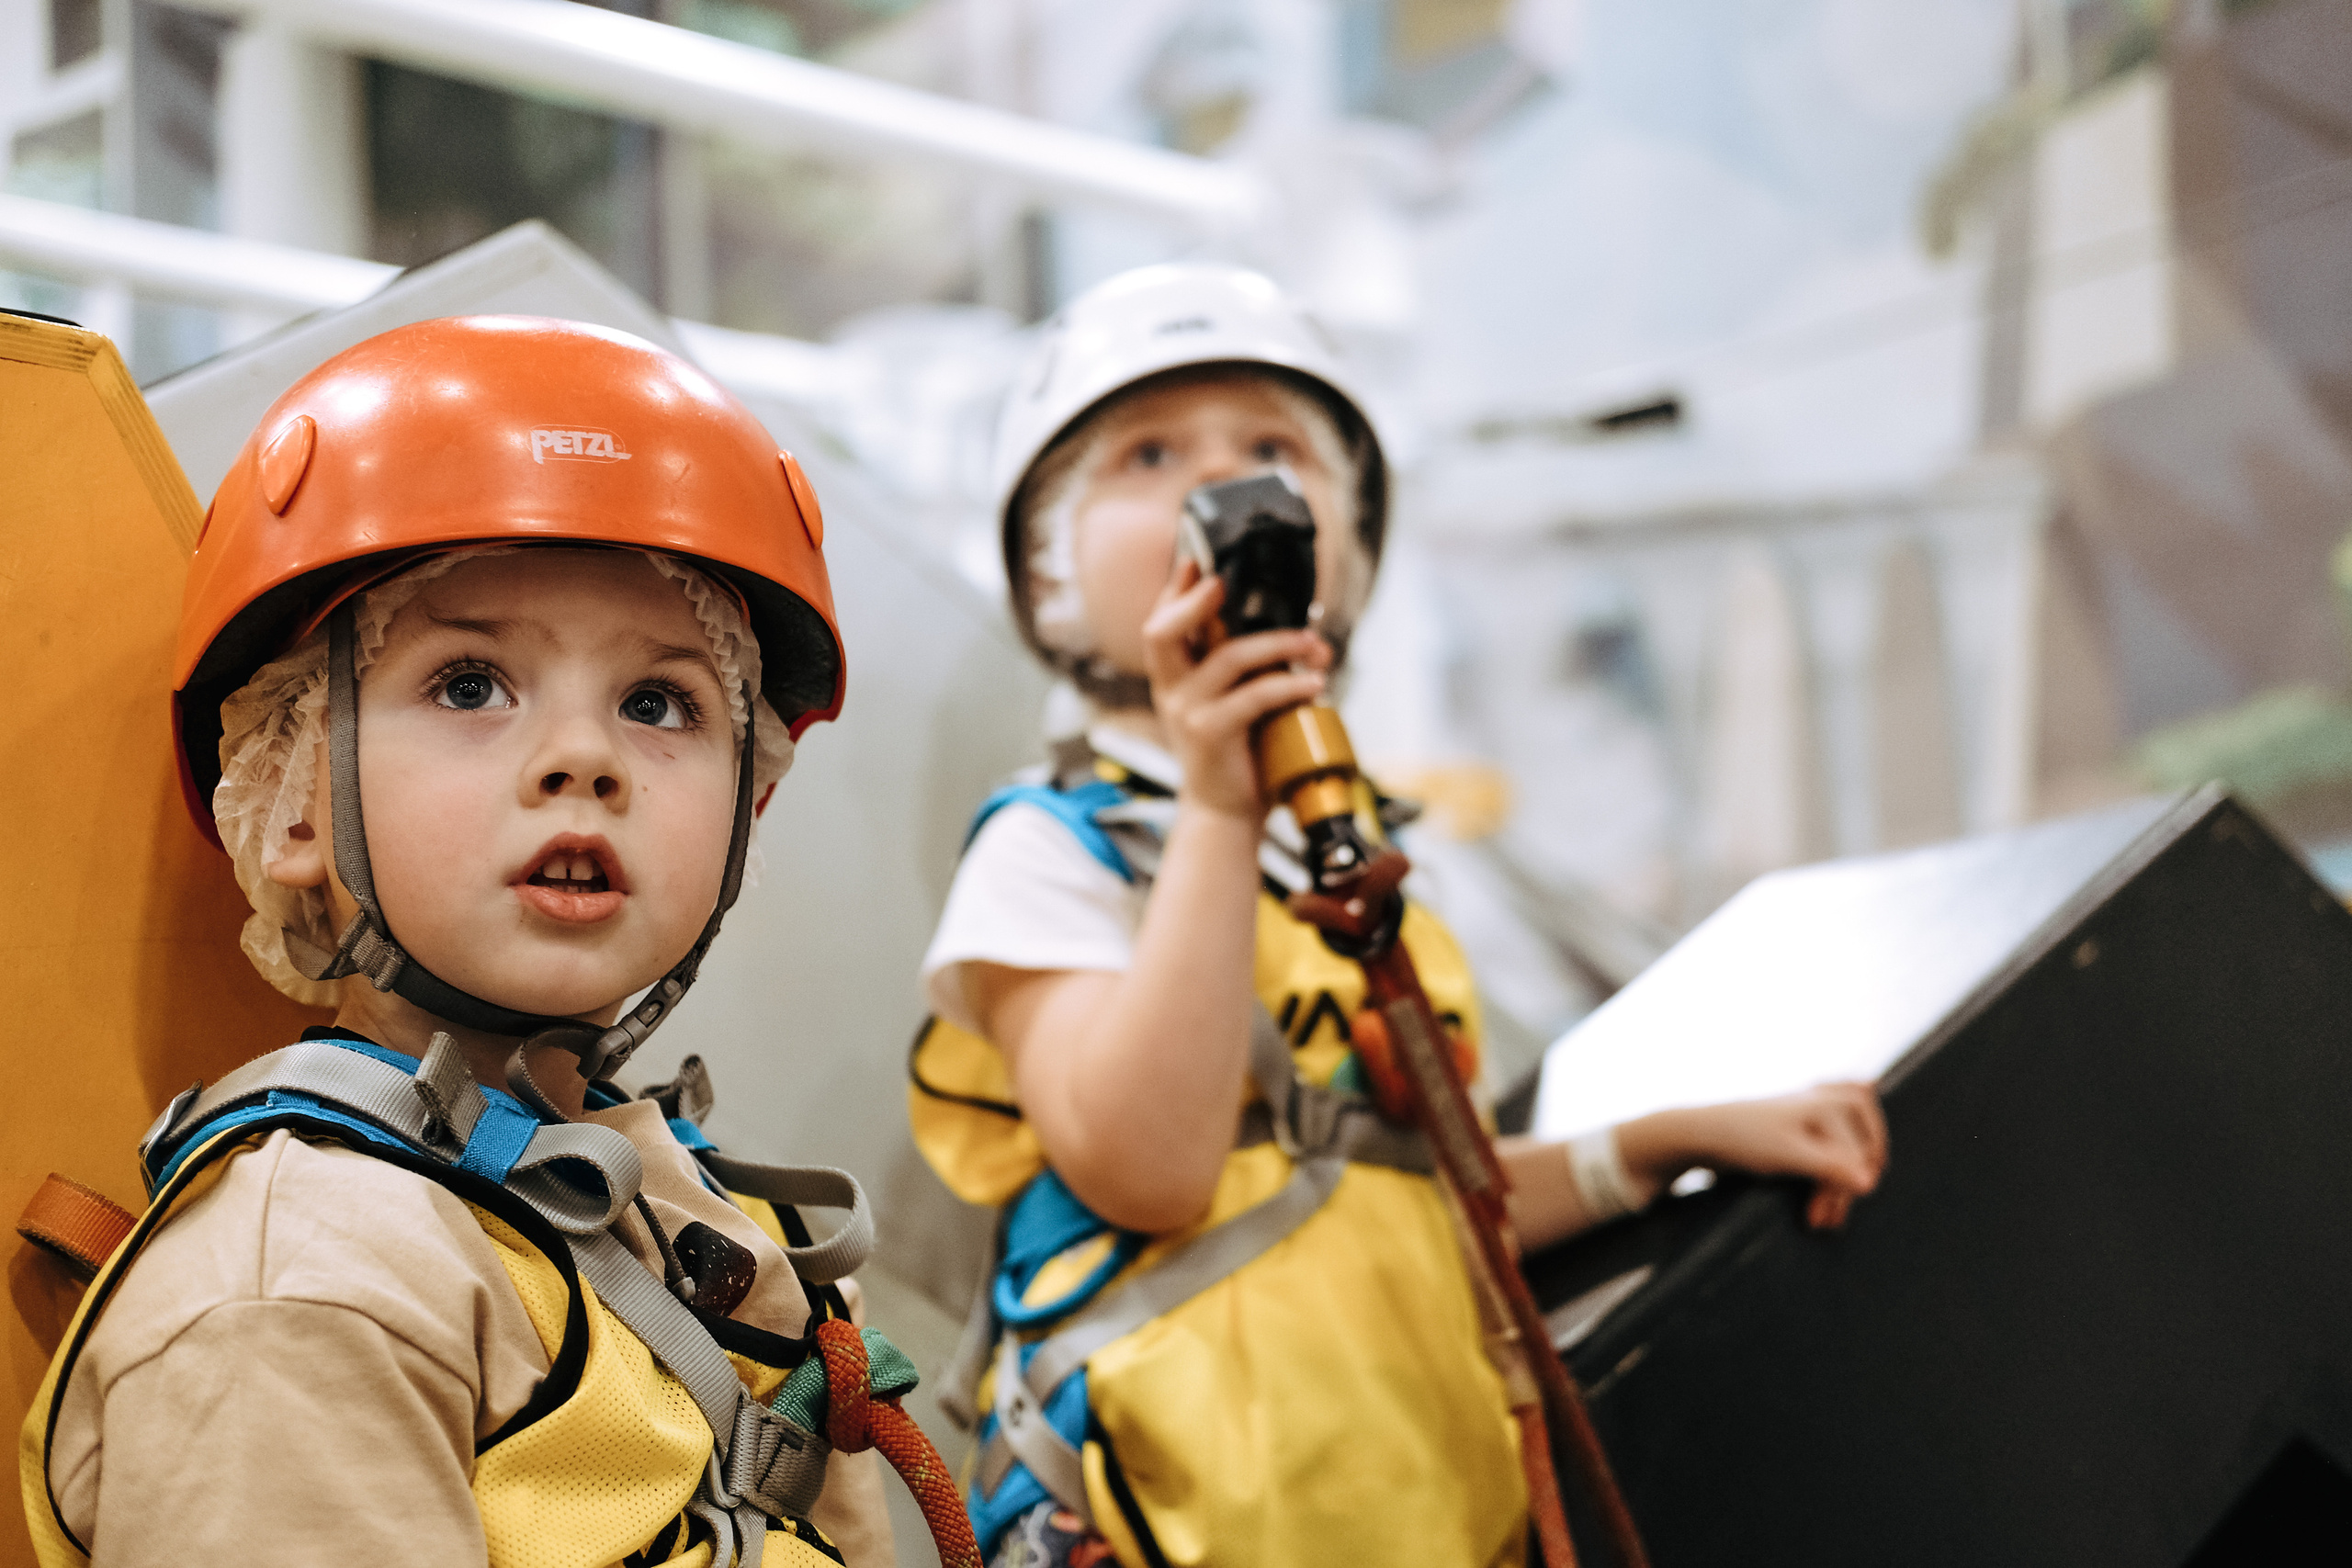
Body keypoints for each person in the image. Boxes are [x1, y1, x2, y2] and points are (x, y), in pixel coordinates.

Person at [909, 265, 1890, 1567]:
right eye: (1148, 453)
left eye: (1272, 448)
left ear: (1342, 549)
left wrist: (1661, 1145)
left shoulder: (1351, 860)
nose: (1225, 488)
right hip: (1177, 1524)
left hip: (1420, 1517)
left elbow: (1403, 1188)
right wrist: (1212, 803)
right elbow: (1148, 1166)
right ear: (1052, 579)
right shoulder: (1050, 853)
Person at [22, 316, 953, 1568]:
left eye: (659, 703)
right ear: (290, 791)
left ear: (744, 807)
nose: (586, 760)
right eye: (469, 685)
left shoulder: (646, 1202)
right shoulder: (303, 1291)